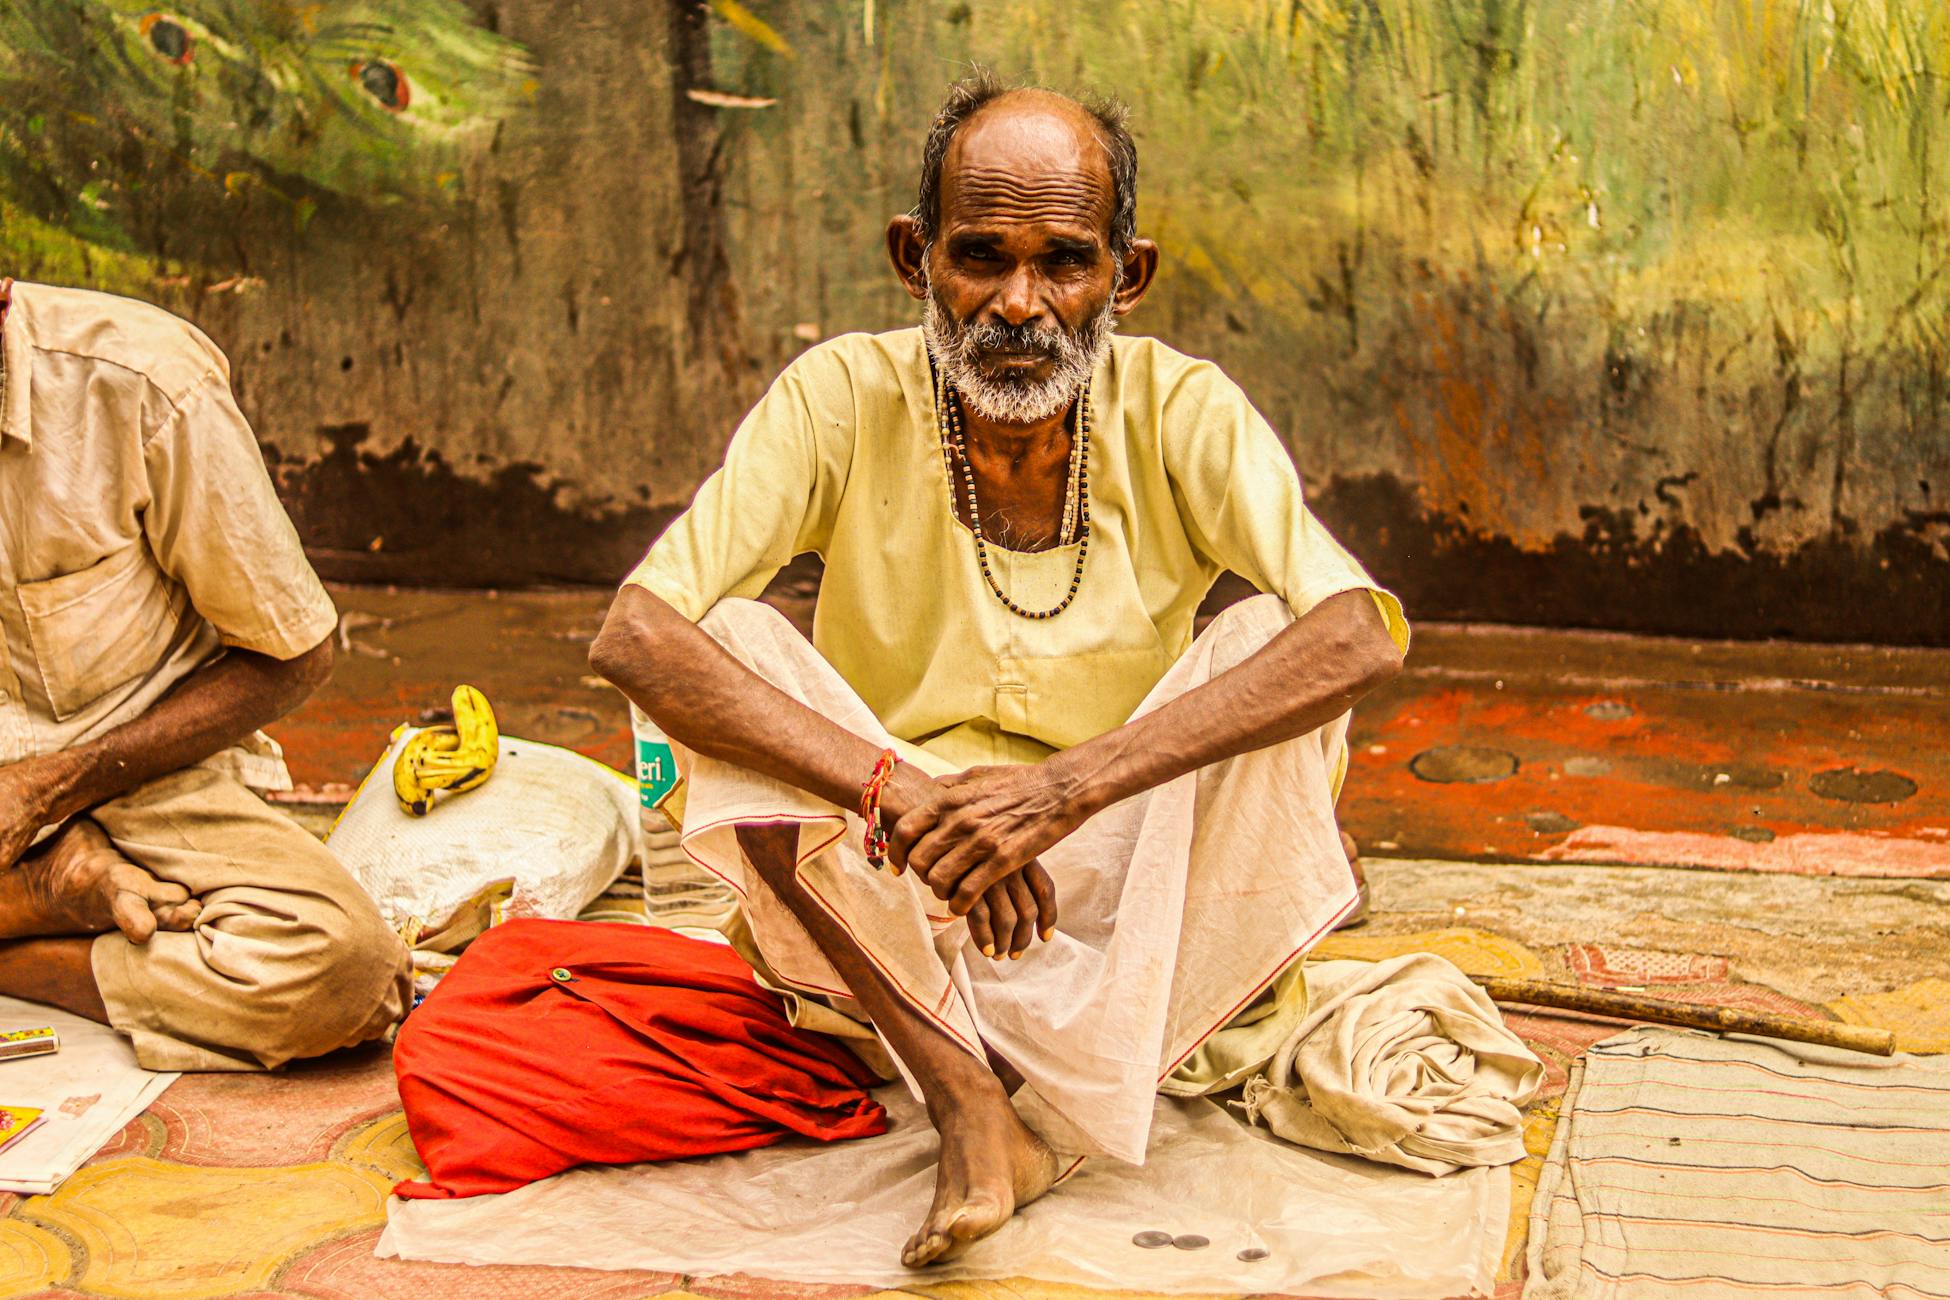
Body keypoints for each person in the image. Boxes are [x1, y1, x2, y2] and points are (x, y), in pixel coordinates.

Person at [589, 73, 1408, 1267]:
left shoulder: (1182, 408)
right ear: (915, 258)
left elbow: (1360, 633)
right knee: (727, 645)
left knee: (1270, 653)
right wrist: (902, 795)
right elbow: (636, 633)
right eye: (980, 256)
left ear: (1127, 276)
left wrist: (1067, 791)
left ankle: (1053, 1067)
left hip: (1112, 869)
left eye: (1065, 263)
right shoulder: (841, 397)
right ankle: (972, 1097)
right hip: (885, 888)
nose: (1020, 305)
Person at [0, 277, 411, 1070]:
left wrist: (45, 789)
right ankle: (37, 897)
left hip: (123, 772)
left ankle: (31, 926)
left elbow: (291, 654)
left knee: (344, 970)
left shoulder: (143, 383)